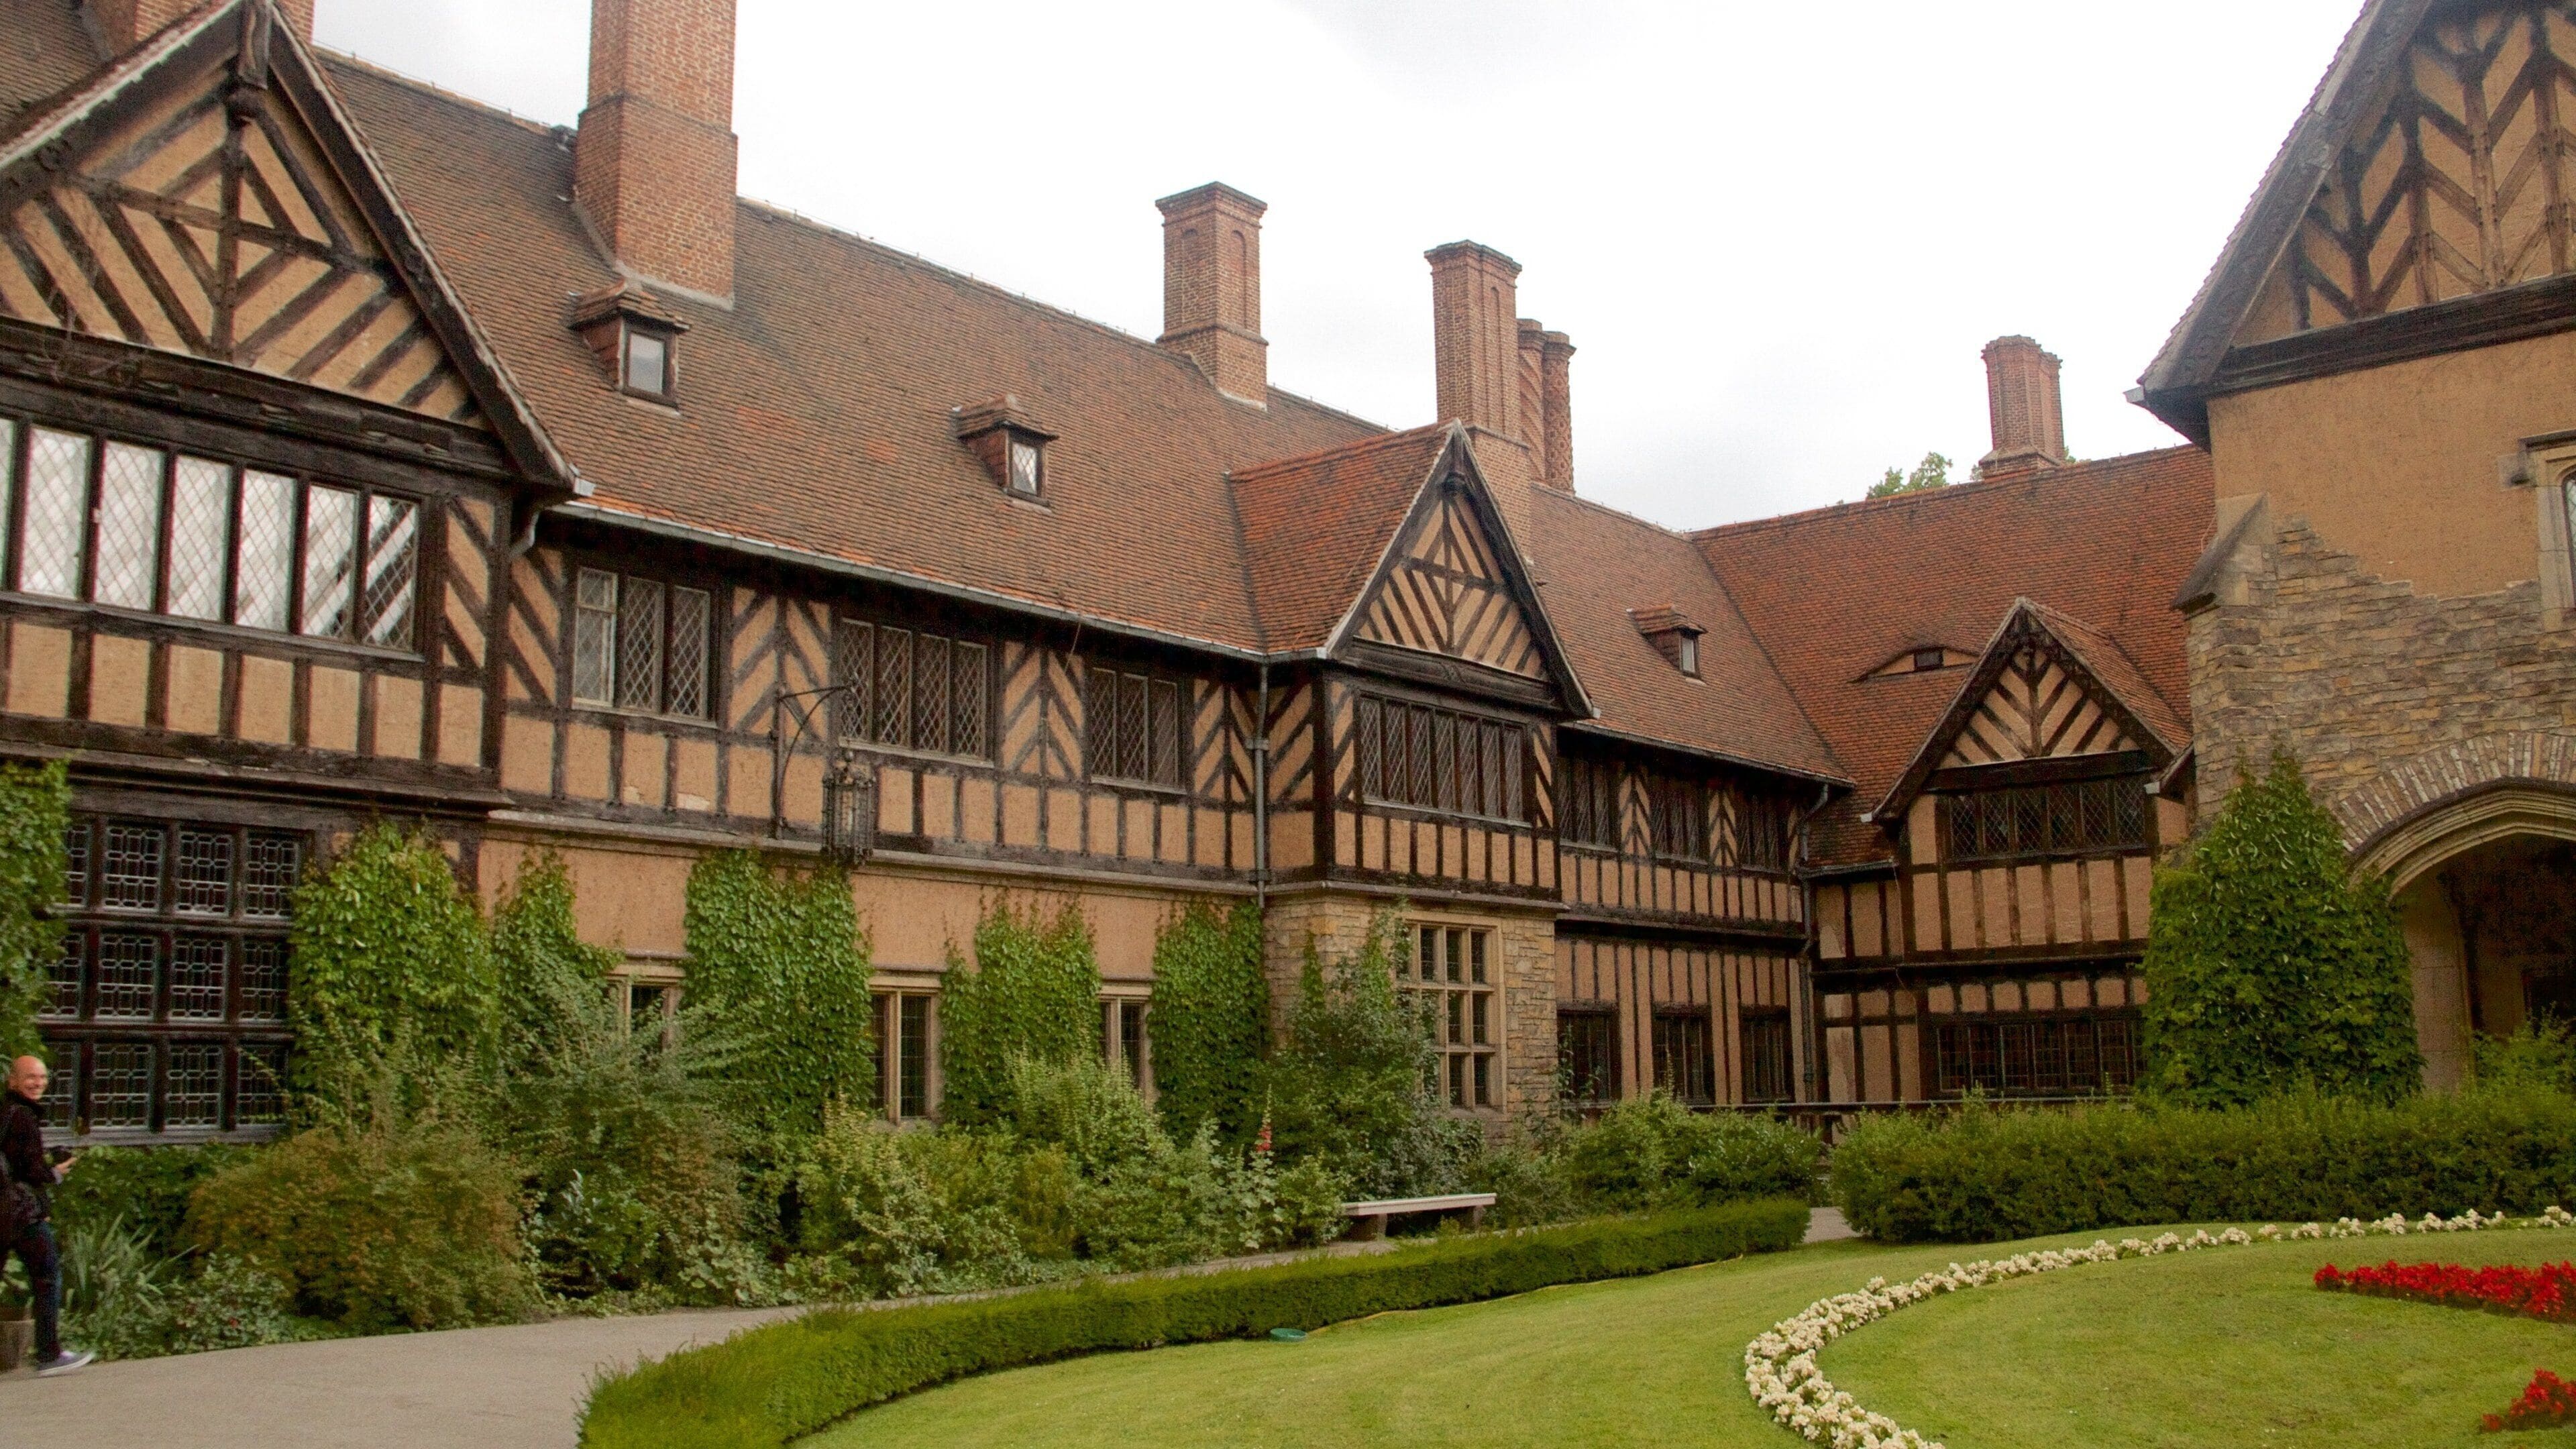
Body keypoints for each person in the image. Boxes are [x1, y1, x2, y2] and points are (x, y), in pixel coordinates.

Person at [3, 1054, 89, 1375]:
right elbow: (30, 1170)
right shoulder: (23, 1116)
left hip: (8, 1210)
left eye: (42, 1077)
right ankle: (49, 1353)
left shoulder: (5, 1113)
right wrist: (55, 1172)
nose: (37, 1083)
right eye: (30, 1077)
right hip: (20, 1214)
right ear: (12, 1081)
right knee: (47, 1275)